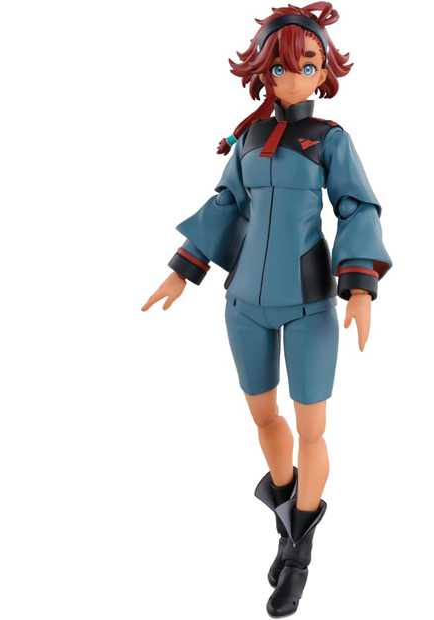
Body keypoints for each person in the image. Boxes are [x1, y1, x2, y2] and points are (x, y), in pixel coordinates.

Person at [142, 3, 392, 616]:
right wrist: (182, 270)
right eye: (280, 68)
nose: (294, 78)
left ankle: (298, 553)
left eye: (307, 65)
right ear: (263, 73)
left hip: (308, 304)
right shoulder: (248, 141)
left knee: (312, 428)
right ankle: (286, 515)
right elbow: (225, 205)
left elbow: (357, 206)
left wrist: (359, 285)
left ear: (324, 72)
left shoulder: (330, 141)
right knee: (263, 418)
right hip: (244, 304)